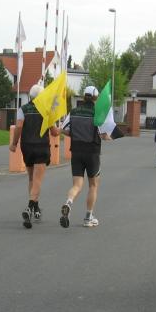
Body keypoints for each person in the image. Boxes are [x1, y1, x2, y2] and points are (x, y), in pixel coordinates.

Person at [10, 84, 59, 229]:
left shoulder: (23, 109)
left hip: (27, 147)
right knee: (38, 180)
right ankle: (30, 207)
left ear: (30, 96)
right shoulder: (47, 110)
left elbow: (19, 126)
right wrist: (61, 129)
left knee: (32, 178)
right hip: (42, 147)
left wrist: (14, 143)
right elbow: (54, 132)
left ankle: (36, 207)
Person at [59, 86, 110, 228]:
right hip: (92, 153)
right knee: (93, 185)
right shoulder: (97, 113)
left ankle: (69, 202)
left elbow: (65, 130)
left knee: (76, 185)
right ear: (95, 98)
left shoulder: (74, 112)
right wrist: (109, 137)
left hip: (76, 152)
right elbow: (103, 135)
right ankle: (88, 217)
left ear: (84, 97)